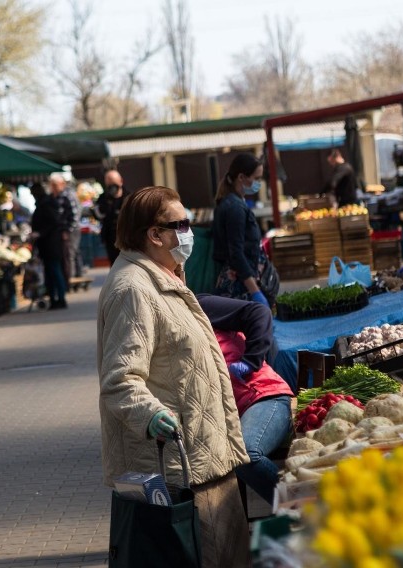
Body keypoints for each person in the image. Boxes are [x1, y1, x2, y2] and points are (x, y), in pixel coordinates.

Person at [97, 186, 250, 567]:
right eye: (180, 224)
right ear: (154, 234)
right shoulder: (133, 289)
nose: (189, 231)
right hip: (182, 474)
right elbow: (120, 380)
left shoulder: (162, 277)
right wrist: (151, 416)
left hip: (207, 459)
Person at [197, 294, 293, 505]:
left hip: (265, 397)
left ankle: (299, 508)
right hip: (236, 415)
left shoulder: (198, 305)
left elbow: (259, 312)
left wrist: (251, 361)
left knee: (245, 455)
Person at [212, 153, 272, 307]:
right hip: (240, 287)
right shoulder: (235, 208)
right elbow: (236, 253)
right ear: (241, 177)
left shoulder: (235, 203)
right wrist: (255, 291)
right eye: (256, 178)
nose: (259, 183)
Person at [30, 183, 68, 309]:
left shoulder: (45, 204)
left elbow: (53, 222)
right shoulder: (46, 203)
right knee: (51, 272)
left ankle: (60, 298)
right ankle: (55, 298)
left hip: (50, 244)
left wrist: (39, 233)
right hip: (49, 244)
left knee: (54, 271)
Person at [50, 174, 82, 279]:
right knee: (73, 253)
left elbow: (75, 215)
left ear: (62, 184)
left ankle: (71, 278)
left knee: (70, 254)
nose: (53, 187)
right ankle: (75, 276)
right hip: (68, 229)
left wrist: (68, 230)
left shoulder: (68, 195)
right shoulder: (59, 195)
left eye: (55, 185)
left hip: (71, 229)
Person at [95, 170, 128, 265]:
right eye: (109, 184)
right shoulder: (102, 198)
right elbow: (98, 215)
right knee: (114, 264)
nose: (112, 187)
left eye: (114, 183)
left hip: (127, 238)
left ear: (121, 181)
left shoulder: (129, 197)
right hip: (110, 239)